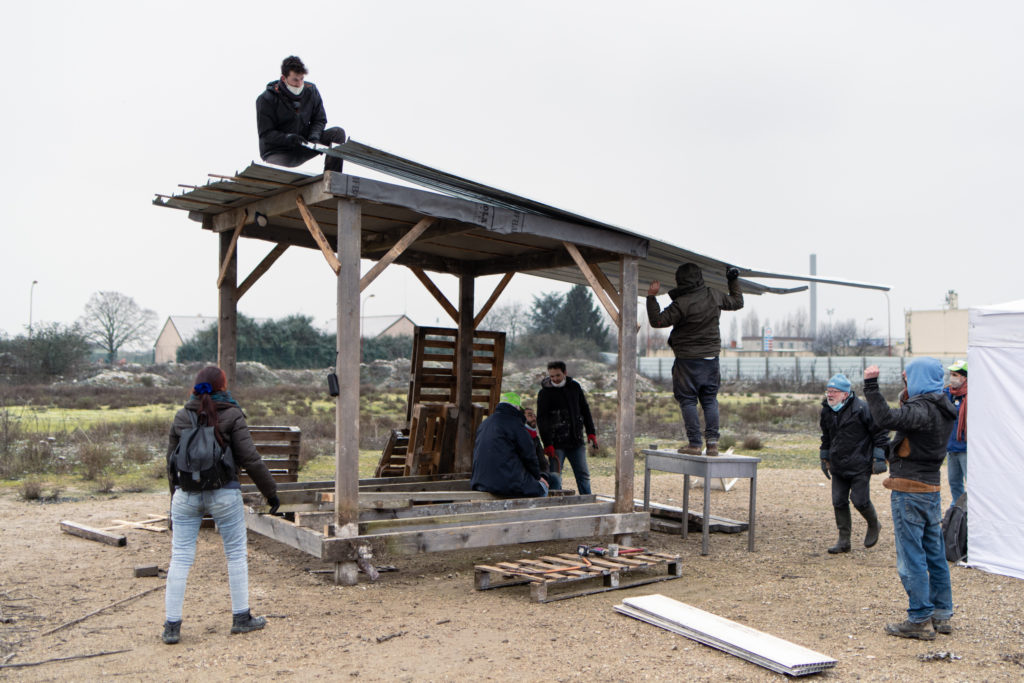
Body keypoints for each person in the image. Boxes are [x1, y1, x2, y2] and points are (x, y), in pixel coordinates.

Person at [162, 366, 280, 645]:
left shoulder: (181, 416)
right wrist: (271, 493)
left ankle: (171, 627)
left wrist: (173, 500)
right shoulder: (233, 414)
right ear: (222, 386)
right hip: (224, 493)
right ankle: (241, 619)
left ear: (195, 387)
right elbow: (250, 459)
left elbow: (171, 464)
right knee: (236, 554)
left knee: (180, 558)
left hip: (186, 495)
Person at [863, 359, 958, 640]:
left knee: (911, 556)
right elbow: (910, 410)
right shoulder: (943, 406)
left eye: (910, 376)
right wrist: (908, 386)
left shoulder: (923, 410)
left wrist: (871, 386)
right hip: (930, 489)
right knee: (935, 554)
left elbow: (887, 419)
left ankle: (919, 618)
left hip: (910, 492)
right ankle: (942, 614)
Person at [646, 263, 744, 456]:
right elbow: (737, 302)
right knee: (709, 400)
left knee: (688, 401)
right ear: (699, 277)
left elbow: (657, 321)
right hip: (711, 359)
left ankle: (695, 444)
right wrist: (732, 279)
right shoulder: (714, 295)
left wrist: (651, 296)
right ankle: (713, 444)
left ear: (680, 281)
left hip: (687, 361)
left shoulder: (682, 303)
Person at [819, 373, 889, 554]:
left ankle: (874, 524)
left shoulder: (862, 409)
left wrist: (879, 457)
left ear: (845, 394)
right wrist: (824, 456)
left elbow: (880, 434)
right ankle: (844, 541)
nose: (830, 395)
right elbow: (826, 436)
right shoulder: (827, 410)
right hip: (838, 465)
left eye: (834, 391)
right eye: (828, 391)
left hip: (860, 463)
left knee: (859, 500)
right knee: (838, 501)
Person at [256, 55, 346, 173]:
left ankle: (331, 180)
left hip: (305, 144)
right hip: (279, 152)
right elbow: (266, 134)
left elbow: (319, 119)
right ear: (284, 78)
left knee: (337, 133)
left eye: (302, 79)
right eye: (295, 80)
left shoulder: (311, 91)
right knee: (278, 173)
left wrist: (314, 136)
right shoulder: (266, 99)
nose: (299, 84)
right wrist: (289, 138)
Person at [536, 361, 598, 495]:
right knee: (555, 477)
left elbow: (585, 410)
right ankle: (555, 504)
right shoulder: (544, 393)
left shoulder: (575, 387)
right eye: (552, 376)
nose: (555, 379)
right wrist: (547, 444)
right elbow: (542, 420)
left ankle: (586, 500)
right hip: (556, 444)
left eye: (558, 375)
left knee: (583, 474)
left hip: (576, 441)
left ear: (565, 373)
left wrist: (591, 432)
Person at [470, 392, 548, 498]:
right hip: (505, 483)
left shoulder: (485, 423)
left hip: (480, 482)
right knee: (542, 488)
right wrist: (537, 477)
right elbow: (529, 456)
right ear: (516, 407)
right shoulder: (516, 425)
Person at [943, 360, 968, 513]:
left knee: (970, 481)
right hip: (951, 447)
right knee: (954, 481)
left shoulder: (972, 396)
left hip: (966, 448)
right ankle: (958, 510)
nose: (952, 378)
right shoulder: (947, 394)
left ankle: (971, 510)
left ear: (965, 377)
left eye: (956, 375)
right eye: (951, 374)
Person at [524, 406, 561, 491]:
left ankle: (553, 502)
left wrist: (544, 474)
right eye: (530, 415)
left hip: (539, 474)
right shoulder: (522, 436)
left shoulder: (535, 437)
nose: (534, 417)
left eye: (534, 415)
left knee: (555, 478)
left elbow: (542, 460)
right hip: (528, 475)